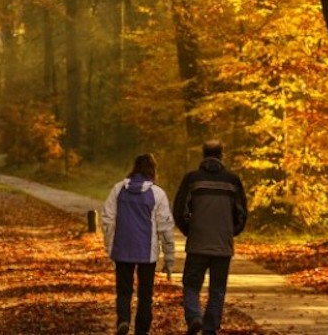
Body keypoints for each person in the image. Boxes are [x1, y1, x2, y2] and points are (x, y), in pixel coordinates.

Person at [173, 140, 248, 335]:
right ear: (222, 154)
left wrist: (190, 230)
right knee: (217, 289)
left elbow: (180, 210)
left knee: (191, 285)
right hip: (223, 245)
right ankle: (210, 328)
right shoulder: (232, 180)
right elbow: (242, 213)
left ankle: (194, 316)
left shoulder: (192, 179)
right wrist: (231, 232)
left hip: (197, 243)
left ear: (203, 154)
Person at [102, 153, 175, 335]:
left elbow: (107, 219)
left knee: (124, 291)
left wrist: (109, 244)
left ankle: (124, 320)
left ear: (134, 168)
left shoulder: (118, 190)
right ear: (153, 170)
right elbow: (165, 227)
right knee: (145, 295)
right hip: (147, 252)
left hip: (122, 248)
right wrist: (169, 256)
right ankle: (142, 330)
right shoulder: (158, 194)